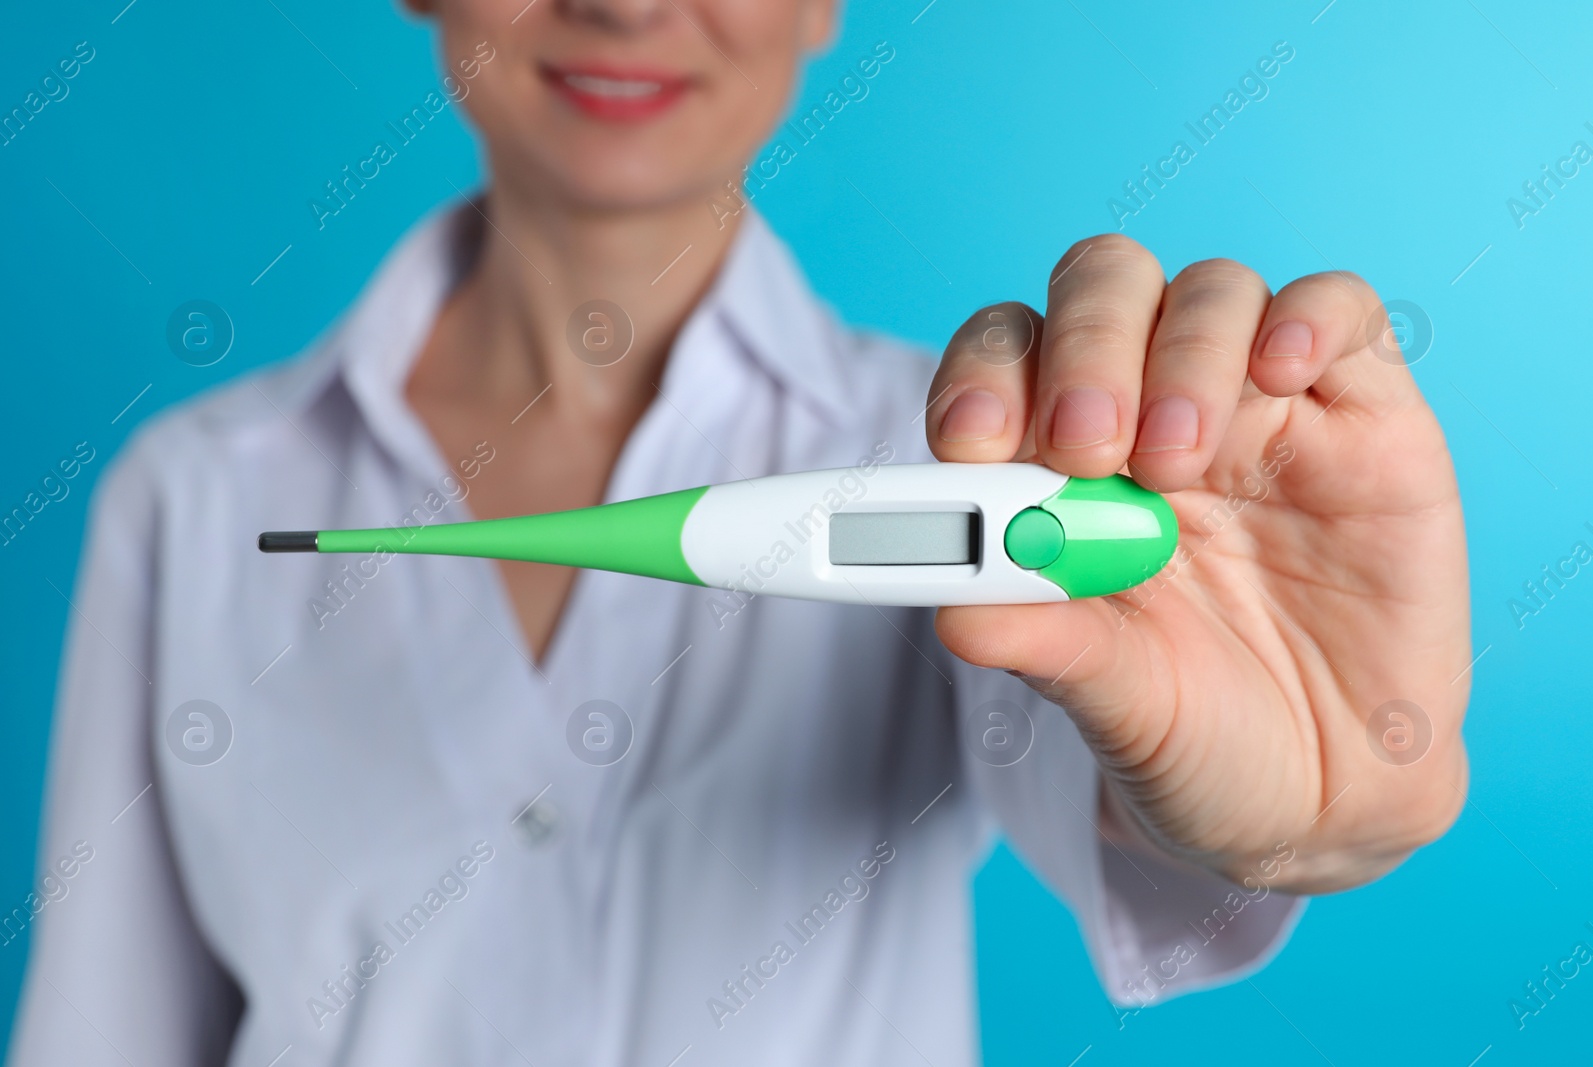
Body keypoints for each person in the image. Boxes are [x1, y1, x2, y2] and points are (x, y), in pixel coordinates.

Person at [8, 0, 1470, 1063]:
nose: (626, 5)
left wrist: (1309, 808)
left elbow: (1124, 793)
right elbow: (105, 1032)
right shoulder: (192, 495)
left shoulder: (978, 464)